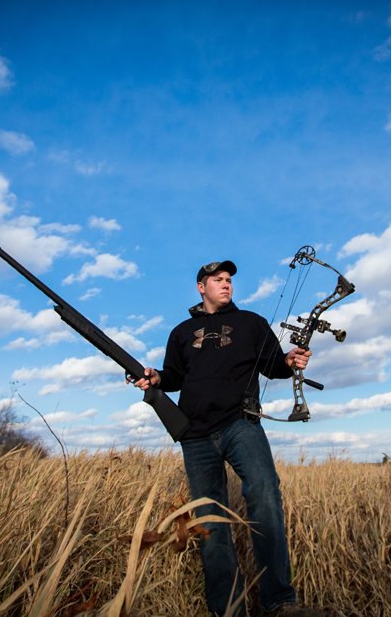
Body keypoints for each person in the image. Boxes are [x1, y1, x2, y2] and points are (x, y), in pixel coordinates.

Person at [134, 258, 321, 617]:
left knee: (264, 495)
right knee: (210, 519)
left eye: (229, 280)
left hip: (241, 424)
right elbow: (174, 376)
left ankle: (279, 602)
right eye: (217, 279)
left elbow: (273, 364)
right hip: (195, 434)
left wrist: (290, 360)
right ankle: (229, 608)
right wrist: (155, 377)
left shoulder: (251, 322)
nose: (226, 284)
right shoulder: (181, 332)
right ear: (201, 287)